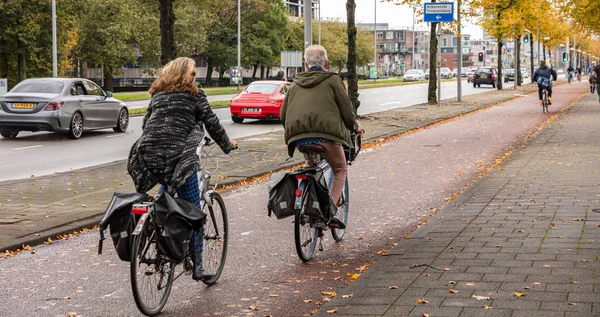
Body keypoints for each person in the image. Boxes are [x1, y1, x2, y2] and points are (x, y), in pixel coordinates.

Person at [128, 57, 237, 281]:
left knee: (164, 202)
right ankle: (198, 267)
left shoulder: (157, 95)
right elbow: (213, 124)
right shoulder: (195, 96)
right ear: (189, 76)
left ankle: (157, 244)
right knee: (194, 212)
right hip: (178, 159)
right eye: (194, 74)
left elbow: (146, 123)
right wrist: (228, 145)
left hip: (149, 155)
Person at [280, 45, 363, 228]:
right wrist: (355, 127)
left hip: (299, 139)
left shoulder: (294, 83)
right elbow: (346, 110)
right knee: (340, 168)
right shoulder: (332, 80)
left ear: (306, 64)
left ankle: (305, 202)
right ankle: (329, 213)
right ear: (326, 63)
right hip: (327, 138)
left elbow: (283, 115)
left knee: (311, 165)